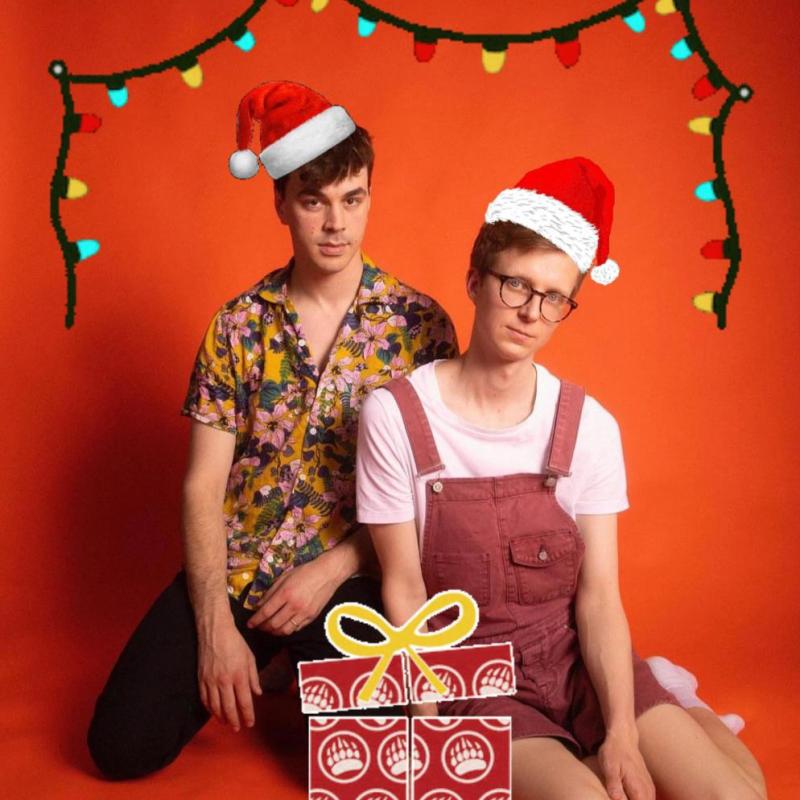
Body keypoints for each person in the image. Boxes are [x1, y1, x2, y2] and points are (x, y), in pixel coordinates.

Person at [356, 158, 767, 800]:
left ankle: (668, 696)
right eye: (515, 285)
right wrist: (428, 733)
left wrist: (623, 733)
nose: (530, 313)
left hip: (577, 664)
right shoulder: (396, 416)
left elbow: (599, 597)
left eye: (554, 298)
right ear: (474, 280)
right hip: (475, 678)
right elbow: (404, 588)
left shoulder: (589, 424)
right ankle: (657, 715)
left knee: (739, 797)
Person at [86, 80, 458, 780]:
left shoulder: (420, 326)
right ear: (282, 202)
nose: (335, 224)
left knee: (367, 772)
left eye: (353, 199)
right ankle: (264, 654)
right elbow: (201, 486)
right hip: (240, 570)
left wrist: (336, 568)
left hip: (351, 573)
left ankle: (306, 668)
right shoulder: (237, 324)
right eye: (314, 202)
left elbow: (432, 485)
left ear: (371, 196)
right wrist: (213, 627)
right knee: (120, 748)